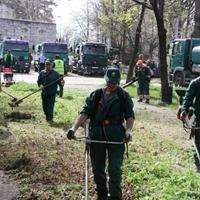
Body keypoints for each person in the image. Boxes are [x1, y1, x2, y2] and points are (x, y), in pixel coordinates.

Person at [67, 67, 135, 200]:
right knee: (98, 170)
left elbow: (130, 116)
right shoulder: (96, 95)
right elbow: (85, 112)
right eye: (110, 82)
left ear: (118, 82)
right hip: (97, 137)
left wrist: (128, 131)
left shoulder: (123, 96)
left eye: (115, 83)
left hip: (116, 138)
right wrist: (74, 128)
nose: (112, 86)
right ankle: (102, 195)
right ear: (105, 80)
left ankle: (115, 196)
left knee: (115, 169)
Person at [179, 77, 200, 172]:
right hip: (199, 118)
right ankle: (198, 166)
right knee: (199, 143)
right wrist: (184, 111)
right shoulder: (196, 83)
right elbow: (187, 99)